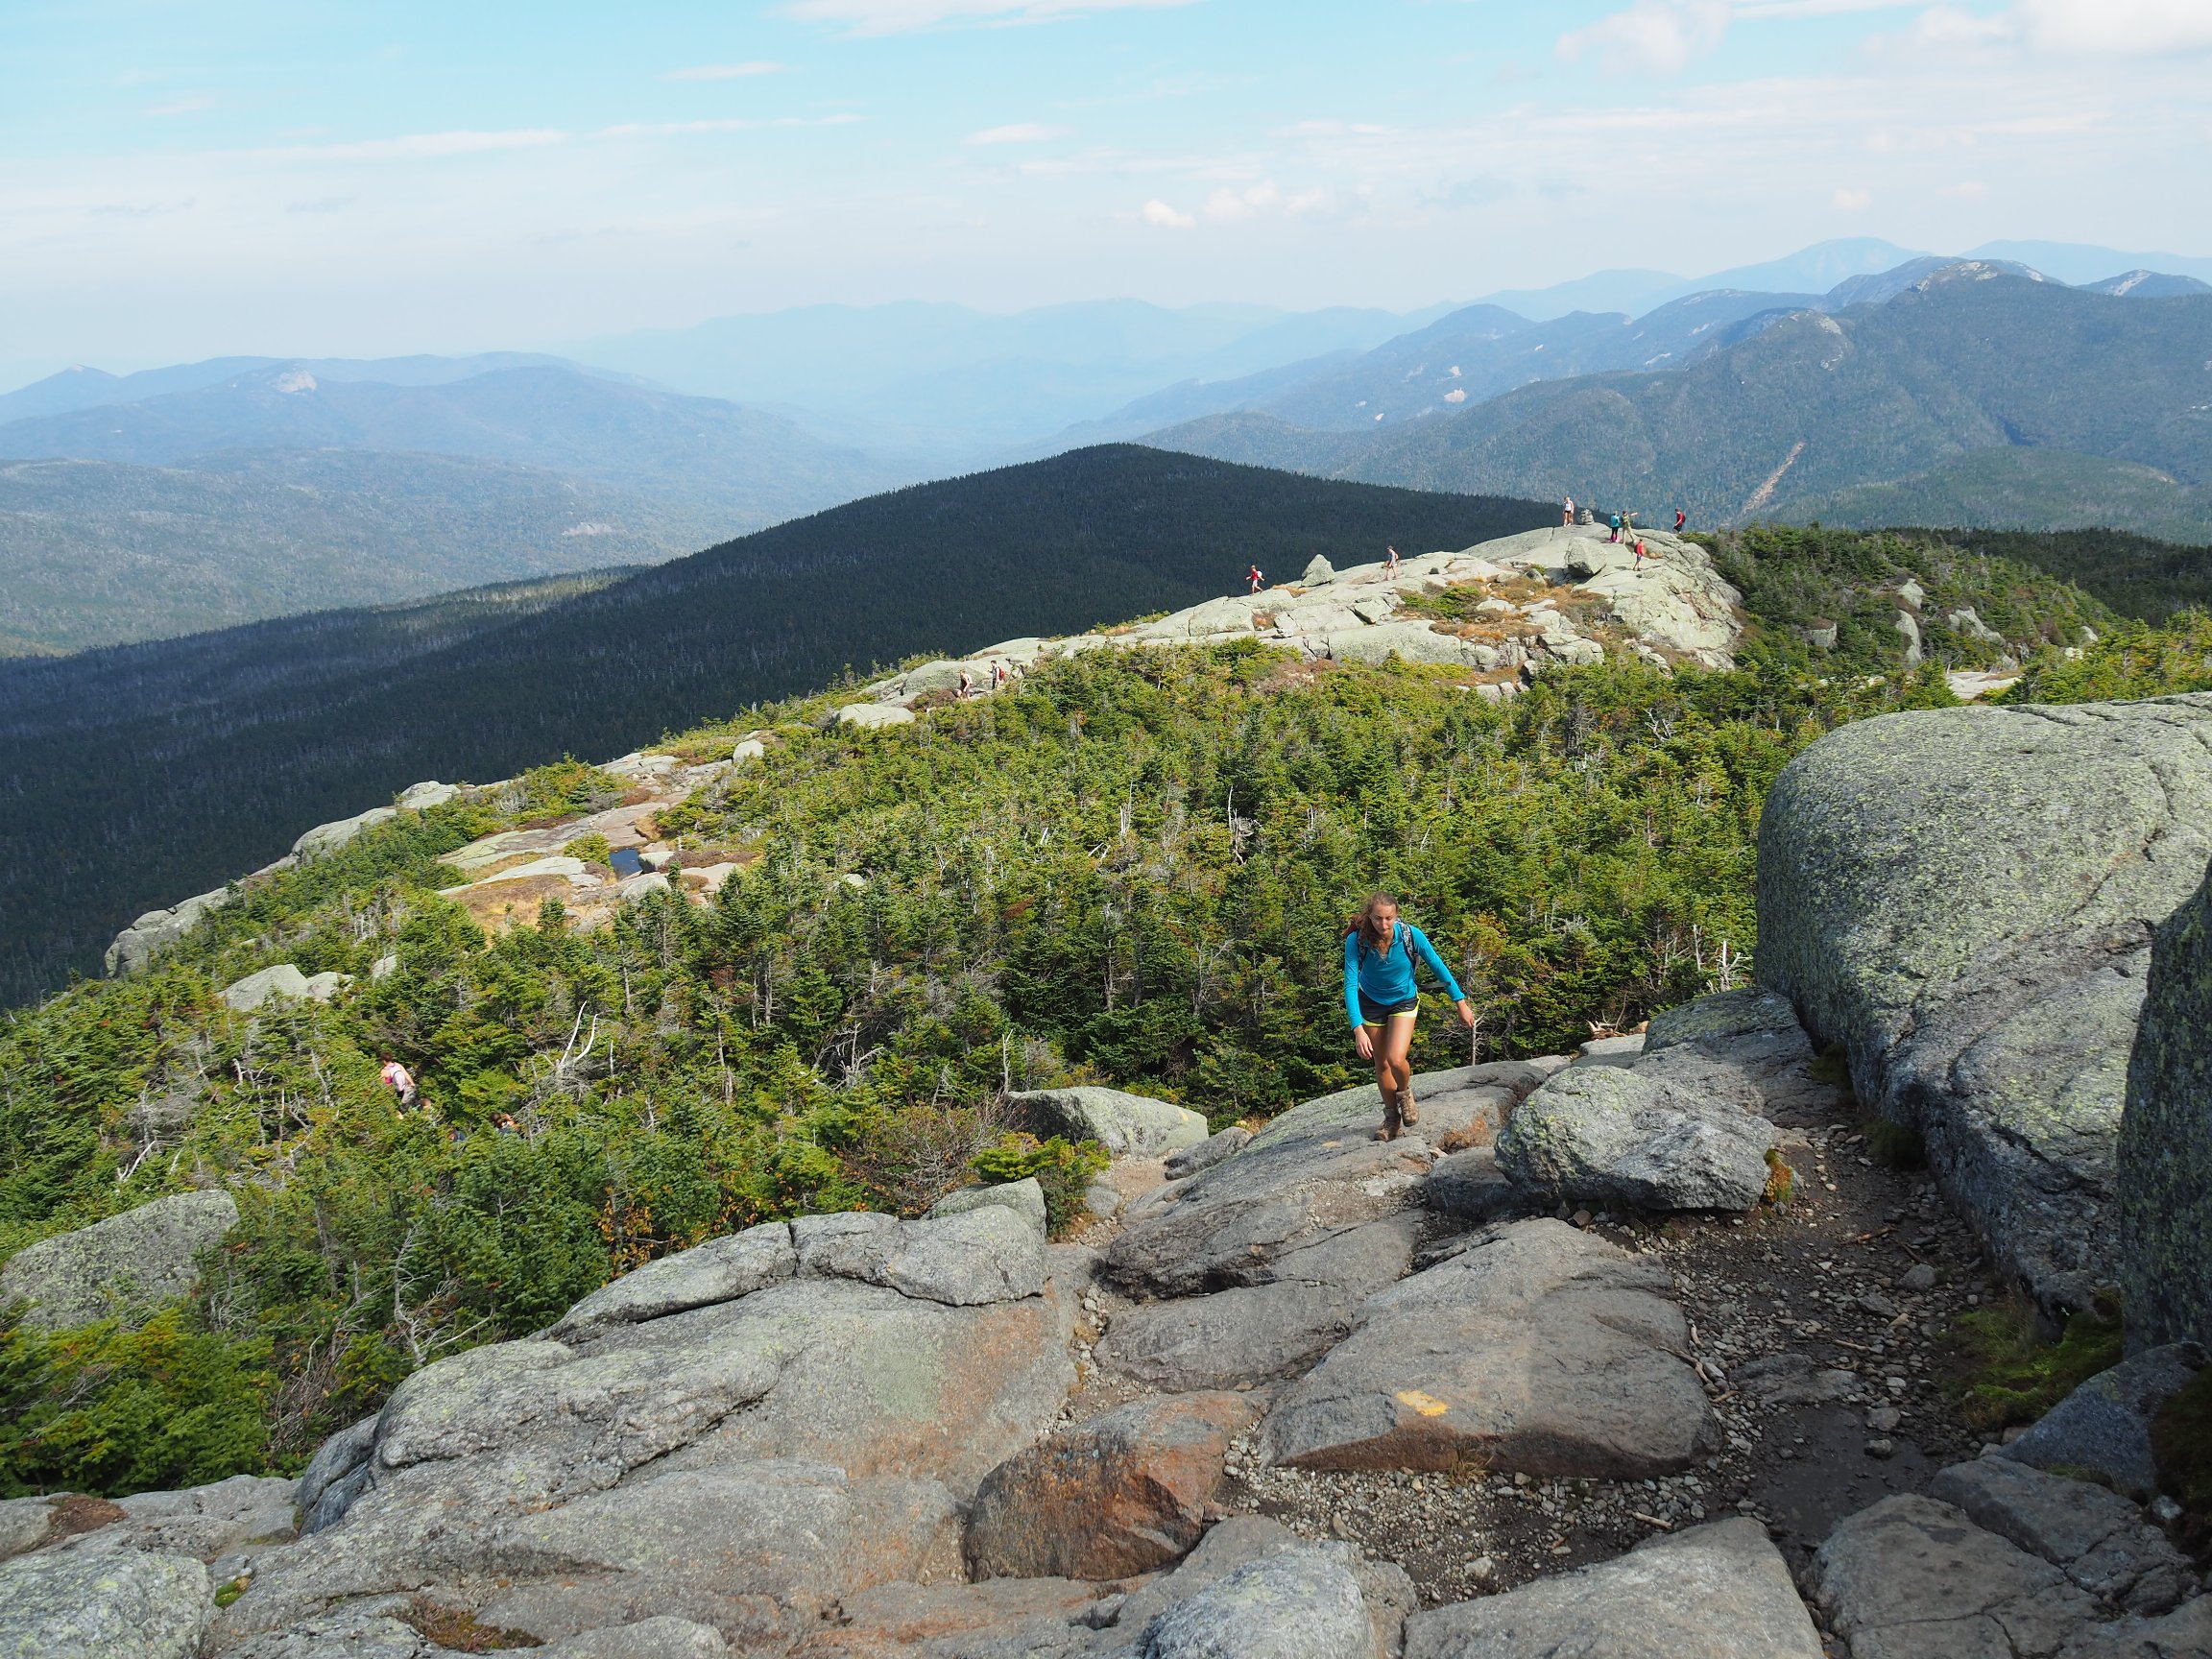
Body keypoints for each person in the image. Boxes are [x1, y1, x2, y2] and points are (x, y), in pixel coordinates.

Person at [1341, 894, 1476, 1142]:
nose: (1383, 924)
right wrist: (1357, 1028)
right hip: (1370, 1002)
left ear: (1397, 916)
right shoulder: (1357, 940)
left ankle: (1405, 1094)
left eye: (1389, 918)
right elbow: (1350, 983)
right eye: (1378, 918)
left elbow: (1438, 966)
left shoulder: (1411, 936)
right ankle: (1392, 1118)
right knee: (1381, 1064)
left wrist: (1460, 1003)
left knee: (1396, 1059)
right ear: (1369, 916)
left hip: (1403, 999)